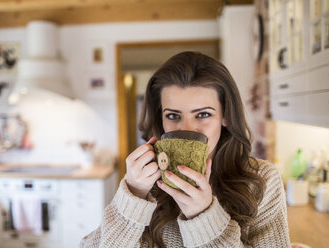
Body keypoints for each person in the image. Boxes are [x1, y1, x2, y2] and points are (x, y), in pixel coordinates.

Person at [80, 51, 291, 247]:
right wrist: (132, 196)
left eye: (203, 115)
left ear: (225, 116)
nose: (187, 130)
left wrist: (204, 217)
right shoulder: (145, 183)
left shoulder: (261, 179)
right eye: (173, 116)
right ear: (160, 119)